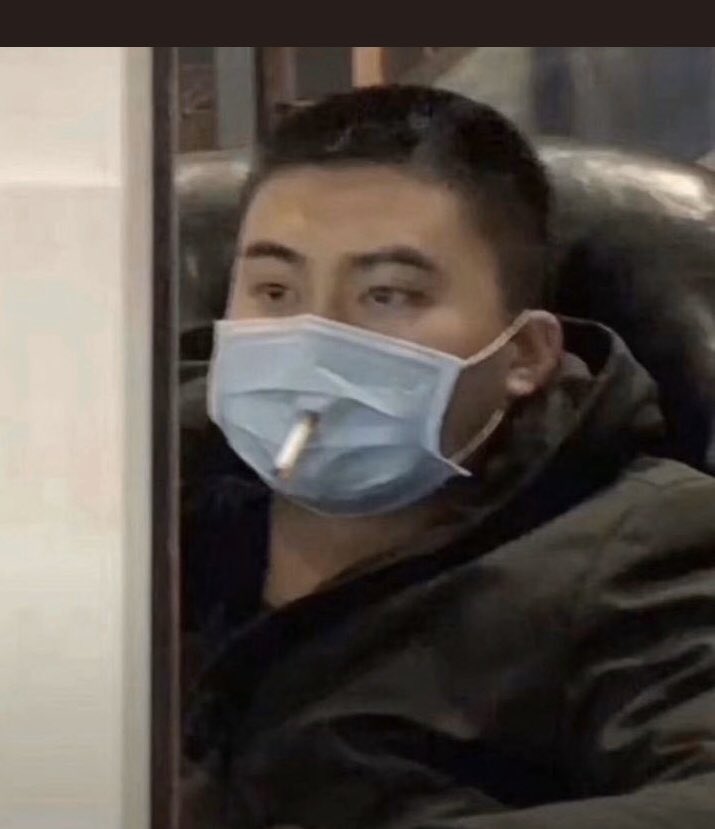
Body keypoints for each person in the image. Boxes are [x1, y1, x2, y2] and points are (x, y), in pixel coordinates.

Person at [181, 85, 715, 828]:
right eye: (273, 289)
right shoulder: (133, 484)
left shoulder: (647, 547)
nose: (314, 337)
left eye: (387, 296)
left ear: (525, 355)